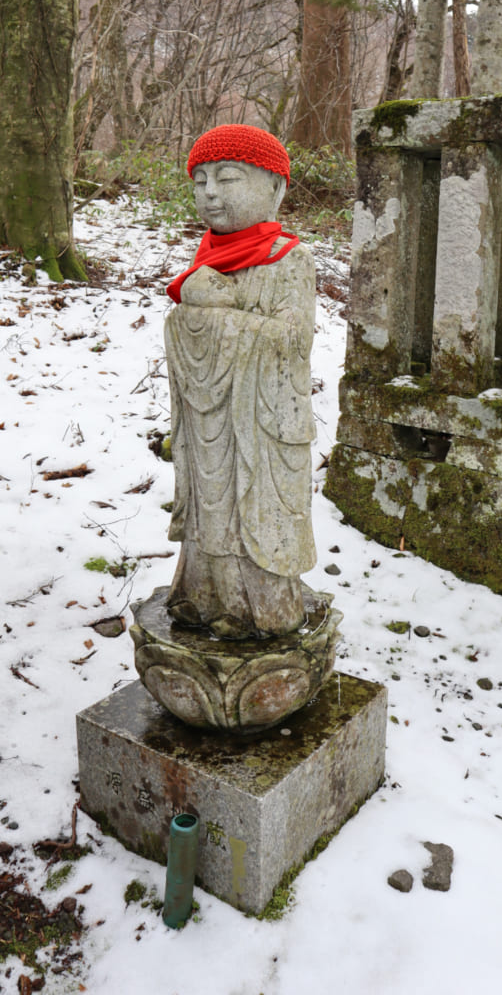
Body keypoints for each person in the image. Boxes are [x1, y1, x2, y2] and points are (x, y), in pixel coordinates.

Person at [164, 124, 317, 640]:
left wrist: (222, 315)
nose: (209, 193)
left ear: (275, 188)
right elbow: (185, 324)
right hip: (211, 419)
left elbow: (293, 341)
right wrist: (191, 314)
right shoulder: (207, 256)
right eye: (200, 180)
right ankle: (201, 595)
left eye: (227, 179)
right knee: (210, 506)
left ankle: (259, 605)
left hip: (261, 425)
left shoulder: (288, 258)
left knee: (254, 508)